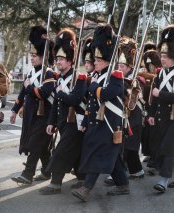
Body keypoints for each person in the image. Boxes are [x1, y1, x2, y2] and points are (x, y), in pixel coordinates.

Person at [72, 24, 128, 202]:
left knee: (100, 154)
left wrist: (95, 86)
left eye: (97, 59)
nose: (94, 62)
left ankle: (86, 188)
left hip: (110, 124)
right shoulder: (98, 76)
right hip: (98, 122)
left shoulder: (115, 76)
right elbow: (92, 103)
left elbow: (107, 94)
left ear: (106, 60)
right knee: (112, 158)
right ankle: (123, 184)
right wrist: (86, 121)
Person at [38, 28, 88, 195]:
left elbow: (75, 100)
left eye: (61, 59)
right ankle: (82, 178)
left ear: (70, 61)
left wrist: (60, 93)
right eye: (57, 58)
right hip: (63, 122)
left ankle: (55, 183)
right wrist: (51, 122)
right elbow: (56, 104)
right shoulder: (59, 78)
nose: (58, 61)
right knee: (75, 151)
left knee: (61, 151)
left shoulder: (80, 78)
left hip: (76, 123)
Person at [147, 25, 174, 192]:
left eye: (165, 56)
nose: (162, 58)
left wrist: (160, 94)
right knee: (171, 145)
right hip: (164, 113)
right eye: (161, 55)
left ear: (173, 56)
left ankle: (164, 179)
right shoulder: (160, 73)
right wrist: (151, 113)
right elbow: (154, 95)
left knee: (170, 144)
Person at [10, 26, 56, 184]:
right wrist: (15, 110)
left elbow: (44, 93)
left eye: (35, 55)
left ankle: (27, 174)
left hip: (44, 115)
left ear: (43, 56)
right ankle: (47, 171)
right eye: (31, 55)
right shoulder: (31, 73)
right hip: (31, 115)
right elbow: (23, 93)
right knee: (42, 147)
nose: (32, 58)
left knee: (35, 144)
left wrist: (30, 87)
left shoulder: (48, 73)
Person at [118, 37, 145, 179]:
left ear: (129, 67)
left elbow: (135, 100)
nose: (119, 69)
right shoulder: (118, 78)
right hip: (124, 116)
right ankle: (137, 171)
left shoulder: (137, 80)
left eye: (122, 66)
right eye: (119, 66)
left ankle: (118, 174)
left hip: (133, 117)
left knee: (128, 146)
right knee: (129, 148)